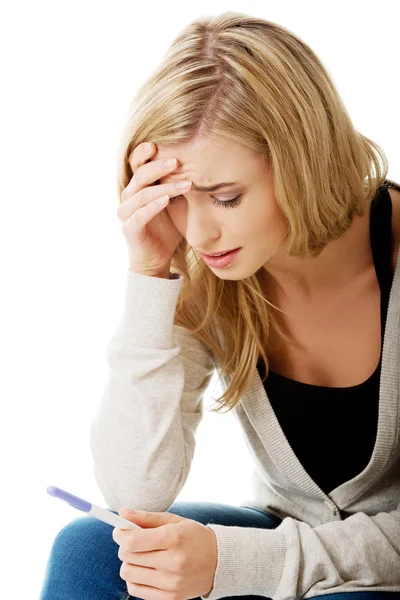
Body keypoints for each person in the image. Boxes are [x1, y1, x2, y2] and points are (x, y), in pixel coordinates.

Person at [39, 11, 400, 600]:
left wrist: (242, 563)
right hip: (291, 537)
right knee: (90, 549)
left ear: (303, 163)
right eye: (175, 200)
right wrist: (150, 275)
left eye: (226, 197)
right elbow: (135, 493)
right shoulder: (205, 273)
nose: (199, 233)